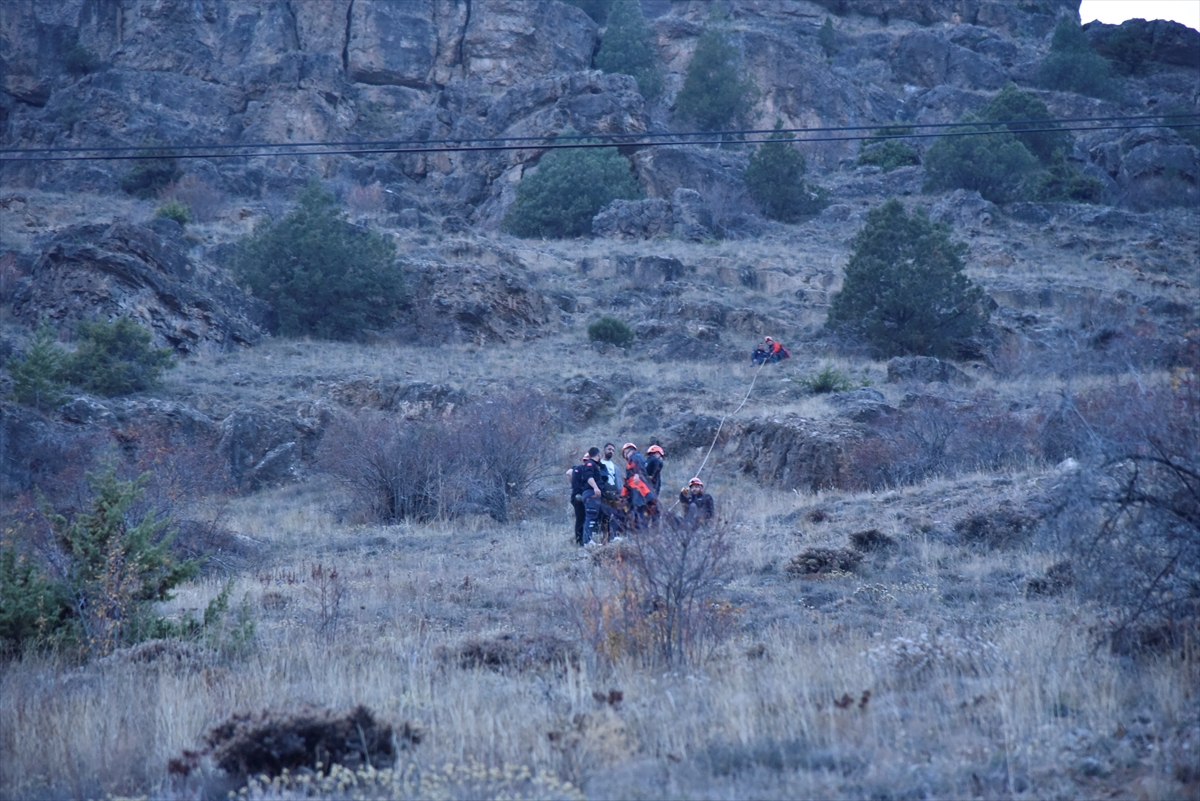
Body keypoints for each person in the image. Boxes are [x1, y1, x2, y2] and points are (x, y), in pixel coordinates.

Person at [566, 447, 603, 546]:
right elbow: (569, 473)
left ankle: (583, 540)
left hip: (582, 494)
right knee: (584, 518)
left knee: (584, 518)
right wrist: (576, 489)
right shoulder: (580, 468)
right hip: (582, 494)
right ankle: (582, 541)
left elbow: (569, 473)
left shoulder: (581, 468)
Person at [621, 442, 657, 528]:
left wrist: (637, 473)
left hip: (639, 488)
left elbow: (639, 464)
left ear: (626, 451)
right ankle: (641, 531)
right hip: (638, 489)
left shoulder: (635, 455)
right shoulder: (632, 459)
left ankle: (640, 533)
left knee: (639, 509)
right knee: (639, 511)